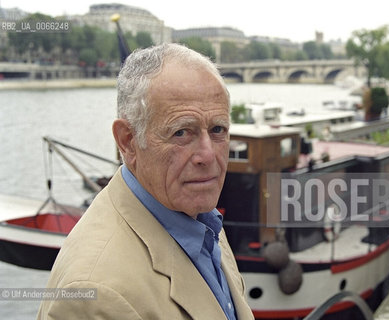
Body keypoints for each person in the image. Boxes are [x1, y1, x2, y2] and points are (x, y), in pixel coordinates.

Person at [37, 43, 254, 320]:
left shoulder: (199, 217)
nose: (208, 155)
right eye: (181, 133)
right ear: (127, 141)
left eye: (218, 130)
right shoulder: (96, 294)